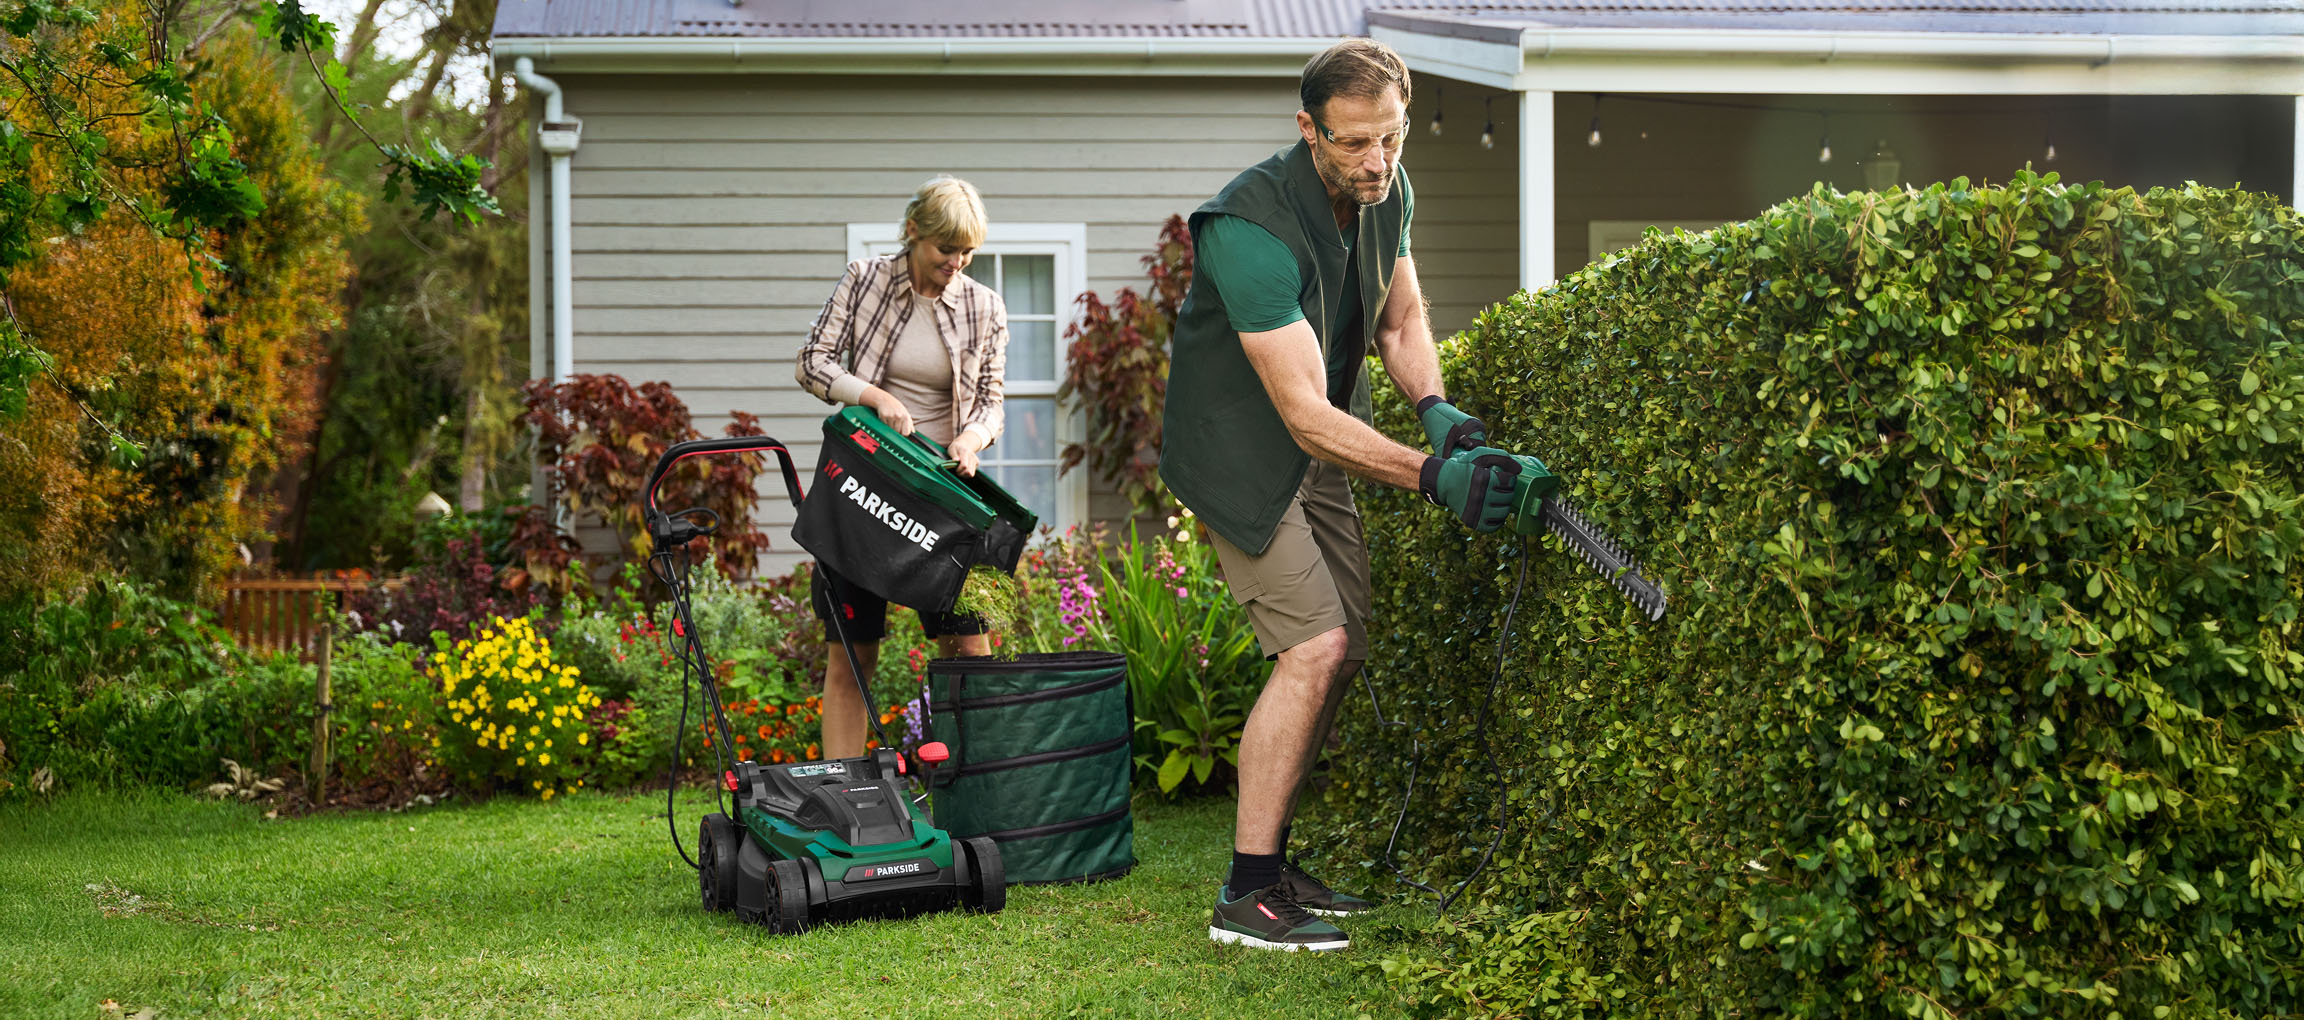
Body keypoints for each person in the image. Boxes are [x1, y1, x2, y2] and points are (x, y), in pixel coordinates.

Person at [1160, 38, 1527, 952]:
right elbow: (1300, 410)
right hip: (1242, 453)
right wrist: (1433, 475)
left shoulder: (1386, 195)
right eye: (1356, 143)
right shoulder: (1247, 227)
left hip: (1322, 447)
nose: (1377, 162)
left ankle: (1276, 865)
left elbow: (1401, 320)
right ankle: (1244, 898)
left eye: (1392, 140)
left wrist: (1438, 409)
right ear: (1308, 130)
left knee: (1346, 646)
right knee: (1313, 646)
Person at [795, 175, 1010, 759]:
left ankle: (971, 789)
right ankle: (846, 794)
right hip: (864, 495)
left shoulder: (983, 305)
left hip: (945, 501)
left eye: (967, 252)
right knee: (854, 653)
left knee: (968, 651)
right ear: (913, 231)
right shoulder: (863, 282)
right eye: (946, 249)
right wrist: (871, 395)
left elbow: (992, 401)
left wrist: (972, 436)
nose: (956, 263)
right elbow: (811, 362)